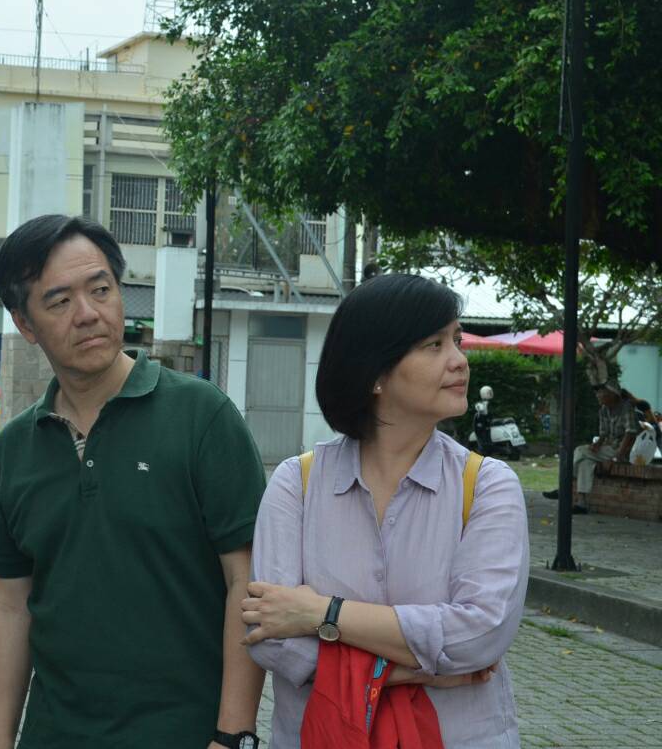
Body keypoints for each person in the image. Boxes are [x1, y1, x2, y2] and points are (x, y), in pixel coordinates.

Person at [0, 215, 267, 749]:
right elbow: (11, 603)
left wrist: (233, 736)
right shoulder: (18, 445)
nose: (88, 314)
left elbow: (246, 582)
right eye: (59, 301)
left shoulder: (201, 415)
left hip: (184, 733)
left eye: (101, 290)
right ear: (25, 324)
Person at [242, 273, 529, 747]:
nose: (459, 360)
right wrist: (413, 671)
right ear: (375, 373)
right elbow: (271, 637)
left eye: (457, 340)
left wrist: (321, 612)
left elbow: (480, 634)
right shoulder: (297, 484)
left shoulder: (488, 486)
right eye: (434, 345)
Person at [542, 380, 640, 513]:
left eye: (601, 392)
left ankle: (564, 488)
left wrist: (616, 458)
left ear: (612, 394)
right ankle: (582, 504)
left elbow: (630, 434)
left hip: (621, 452)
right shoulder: (604, 410)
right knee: (585, 462)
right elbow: (604, 433)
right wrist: (597, 444)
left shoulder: (626, 408)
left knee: (579, 450)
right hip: (608, 449)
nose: (598, 395)